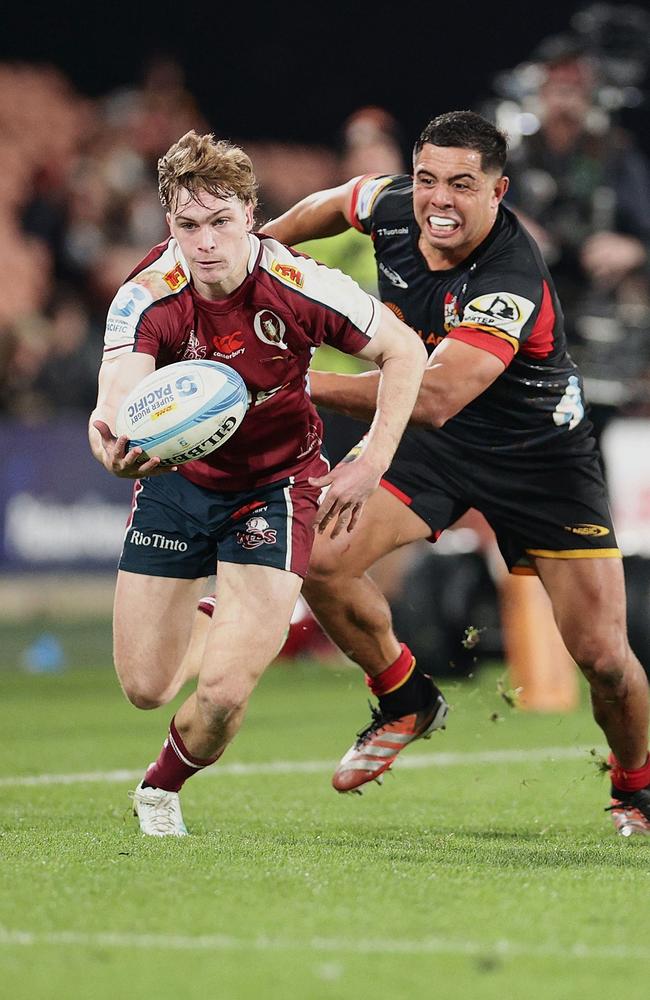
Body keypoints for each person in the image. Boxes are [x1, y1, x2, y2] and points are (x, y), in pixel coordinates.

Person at [261, 110, 650, 836]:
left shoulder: (511, 274)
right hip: (437, 448)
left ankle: (638, 786)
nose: (439, 200)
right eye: (429, 180)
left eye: (462, 185)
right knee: (317, 554)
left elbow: (435, 397)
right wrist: (259, 250)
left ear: (498, 191)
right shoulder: (396, 205)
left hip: (541, 462)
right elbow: (332, 203)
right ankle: (405, 697)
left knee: (602, 658)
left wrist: (289, 382)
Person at [88, 130, 429, 836]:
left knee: (221, 695)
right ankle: (228, 613)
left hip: (276, 484)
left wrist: (370, 460)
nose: (205, 242)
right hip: (178, 483)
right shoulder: (148, 294)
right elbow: (117, 397)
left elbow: (405, 350)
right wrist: (114, 443)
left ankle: (160, 788)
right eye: (187, 225)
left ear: (249, 213)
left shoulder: (298, 284)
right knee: (146, 688)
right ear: (168, 224)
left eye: (220, 222)